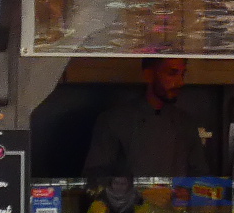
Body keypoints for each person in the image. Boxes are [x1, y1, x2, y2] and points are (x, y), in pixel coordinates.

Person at [82, 58, 213, 183]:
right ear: (149, 75)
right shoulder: (114, 120)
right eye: (172, 73)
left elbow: (200, 175)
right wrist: (128, 192)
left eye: (182, 74)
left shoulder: (186, 122)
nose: (180, 82)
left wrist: (185, 191)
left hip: (174, 199)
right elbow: (94, 177)